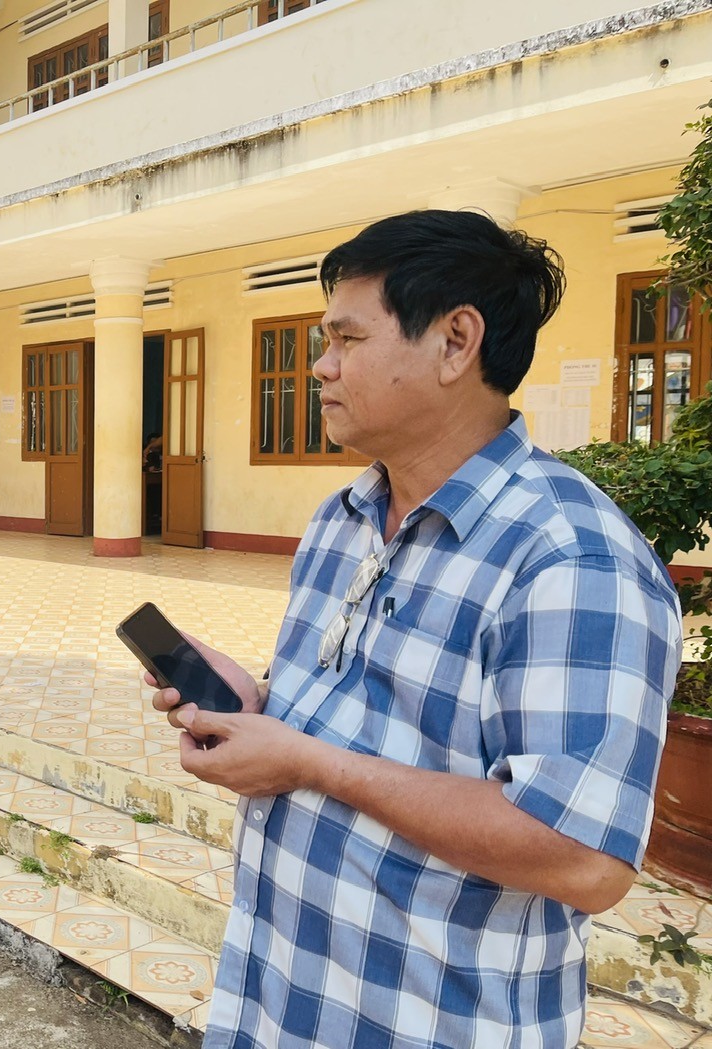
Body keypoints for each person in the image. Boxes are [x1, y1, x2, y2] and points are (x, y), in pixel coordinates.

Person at [151, 210, 682, 1048]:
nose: (321, 365)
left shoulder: (570, 558)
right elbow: (369, 726)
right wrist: (260, 705)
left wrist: (311, 761)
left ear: (455, 341)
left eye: (347, 338)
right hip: (281, 1004)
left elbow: (583, 856)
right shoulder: (343, 519)